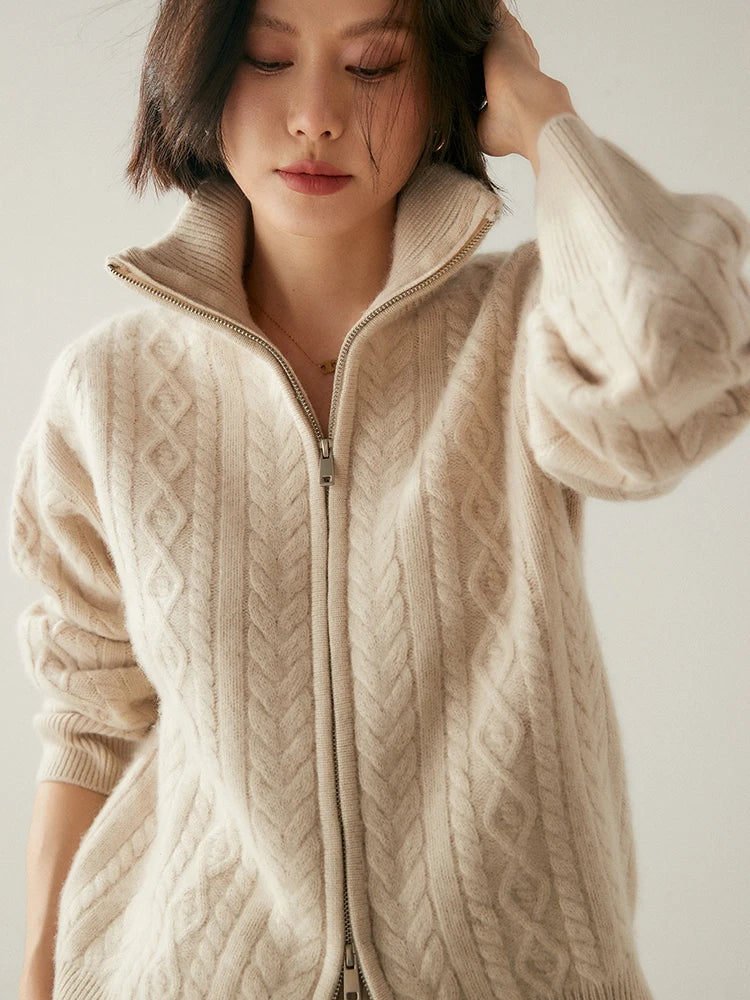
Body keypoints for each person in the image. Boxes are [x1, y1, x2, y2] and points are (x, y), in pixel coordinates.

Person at [11, 0, 749, 997]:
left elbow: (680, 345)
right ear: (201, 73)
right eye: (266, 58)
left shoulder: (526, 329)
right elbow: (92, 718)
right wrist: (38, 976)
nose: (315, 114)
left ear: (448, 86)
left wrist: (542, 116)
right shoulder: (110, 389)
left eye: (372, 67)